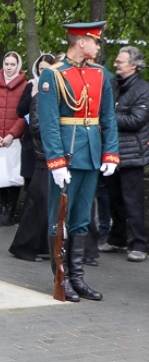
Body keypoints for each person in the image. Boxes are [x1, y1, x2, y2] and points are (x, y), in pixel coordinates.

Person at [38, 21, 119, 302]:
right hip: (67, 156)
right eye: (95, 41)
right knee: (59, 219)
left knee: (82, 219)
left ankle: (78, 277)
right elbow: (48, 124)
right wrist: (56, 162)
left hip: (91, 155)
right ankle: (61, 277)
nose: (98, 46)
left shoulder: (100, 75)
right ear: (81, 42)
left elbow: (107, 117)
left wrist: (111, 153)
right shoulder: (53, 76)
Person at [102, 45, 149, 262]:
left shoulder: (143, 89)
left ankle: (139, 243)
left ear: (134, 65)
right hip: (112, 151)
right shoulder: (112, 85)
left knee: (133, 201)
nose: (115, 64)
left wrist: (108, 119)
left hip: (132, 154)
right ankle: (117, 238)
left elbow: (136, 120)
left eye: (120, 61)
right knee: (115, 199)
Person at [9, 53, 55, 261]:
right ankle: (24, 246)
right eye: (41, 69)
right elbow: (34, 123)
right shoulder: (36, 90)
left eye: (48, 69)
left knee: (45, 200)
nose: (44, 73)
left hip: (49, 153)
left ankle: (40, 245)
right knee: (36, 198)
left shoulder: (53, 91)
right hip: (38, 151)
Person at [0, 51, 27, 226]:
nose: (9, 67)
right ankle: (2, 210)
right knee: (0, 175)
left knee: (13, 177)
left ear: (18, 66)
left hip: (13, 140)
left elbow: (24, 114)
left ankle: (10, 213)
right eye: (6, 64)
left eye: (12, 64)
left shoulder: (25, 86)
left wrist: (11, 134)